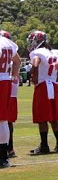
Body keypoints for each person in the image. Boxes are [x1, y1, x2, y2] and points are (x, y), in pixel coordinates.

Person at [28, 30, 58, 155]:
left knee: (42, 118)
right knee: (53, 118)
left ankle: (44, 146)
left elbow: (36, 62)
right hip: (53, 86)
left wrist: (32, 73)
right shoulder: (56, 52)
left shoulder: (36, 52)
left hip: (43, 86)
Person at [0, 30, 20, 168]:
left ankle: (2, 157)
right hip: (5, 80)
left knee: (2, 120)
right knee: (3, 120)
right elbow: (17, 61)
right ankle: (3, 156)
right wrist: (12, 75)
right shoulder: (7, 42)